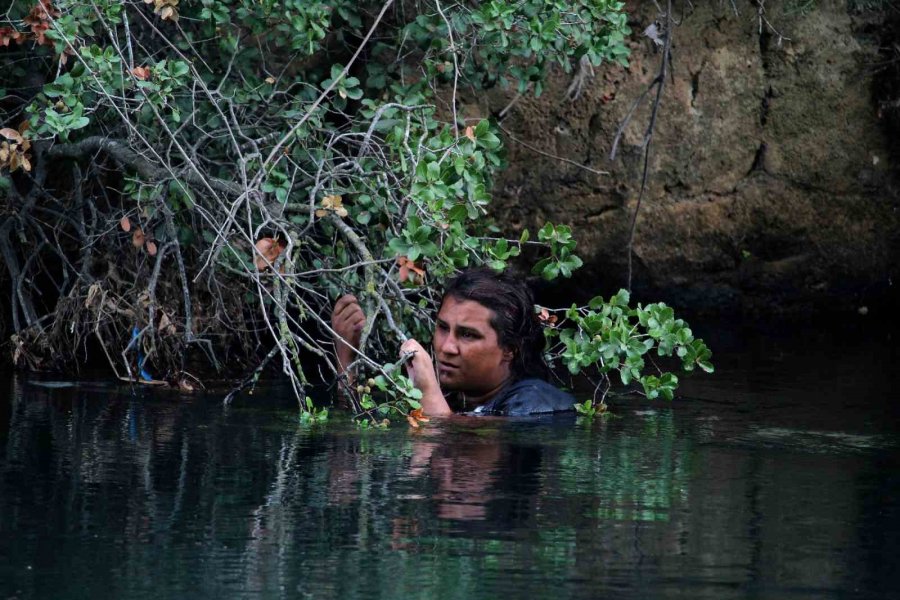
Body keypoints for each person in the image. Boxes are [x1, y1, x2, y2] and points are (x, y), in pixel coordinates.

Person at [330, 268, 575, 416]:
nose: (446, 347)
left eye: (468, 335)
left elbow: (453, 441)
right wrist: (346, 356)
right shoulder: (460, 398)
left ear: (509, 350)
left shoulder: (535, 402)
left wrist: (427, 391)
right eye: (443, 328)